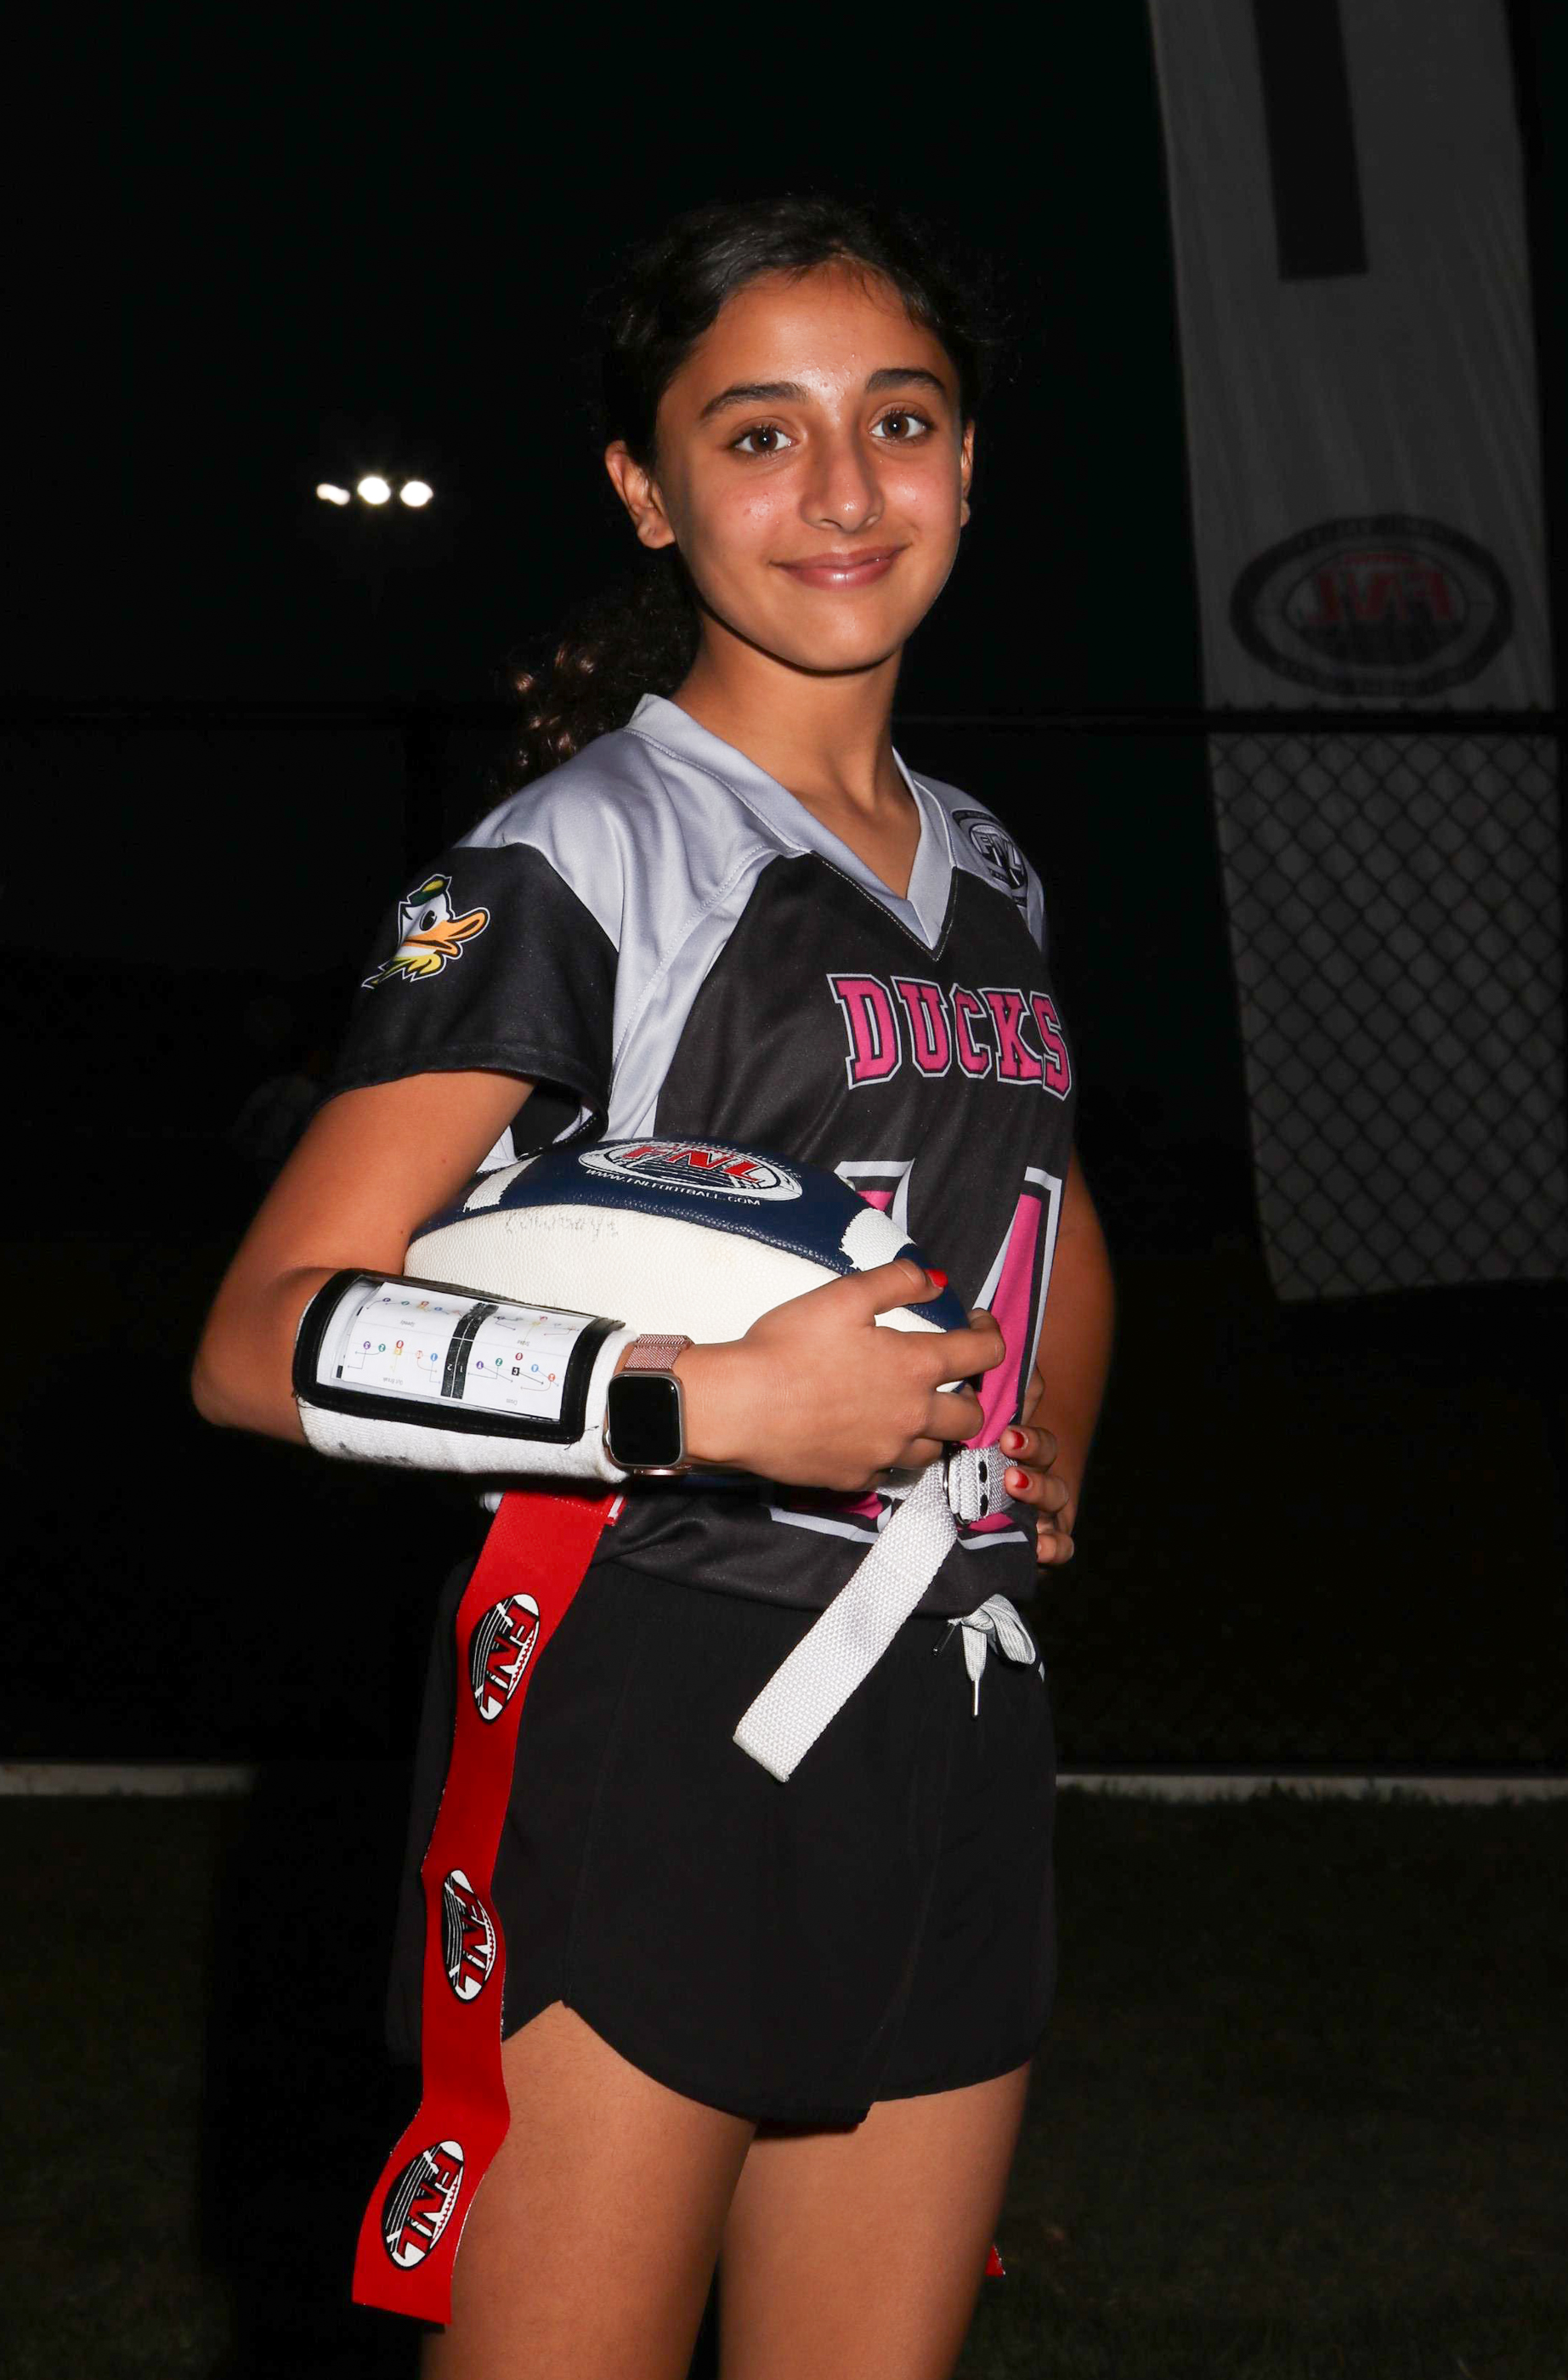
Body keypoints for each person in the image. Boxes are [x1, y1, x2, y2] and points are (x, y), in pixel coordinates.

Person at [193, 195, 1114, 2380]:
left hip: (953, 1700)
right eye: (758, 433)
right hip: (653, 1695)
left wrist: (1050, 1426)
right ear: (644, 485)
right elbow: (260, 1333)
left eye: (899, 421)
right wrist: (697, 1399)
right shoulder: (577, 855)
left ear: (968, 461)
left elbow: (1052, 1202)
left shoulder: (987, 859)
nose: (844, 489)